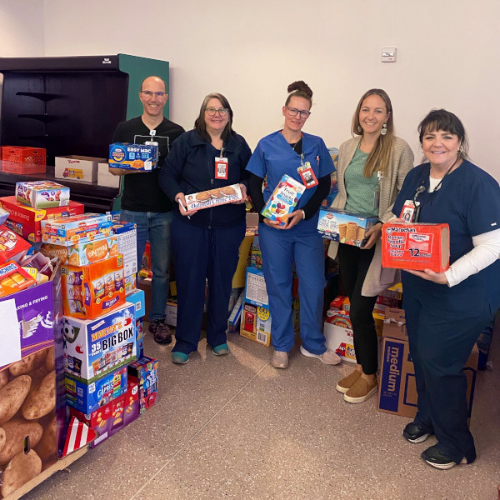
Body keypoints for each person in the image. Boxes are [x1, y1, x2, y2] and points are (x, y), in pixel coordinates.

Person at [393, 109, 500, 469]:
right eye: (430, 136)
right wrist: (384, 229)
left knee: (440, 361)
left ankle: (457, 445)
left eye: (447, 137)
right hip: (421, 285)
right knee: (421, 355)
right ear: (422, 142)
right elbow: (403, 217)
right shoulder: (417, 176)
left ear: (459, 142)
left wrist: (449, 275)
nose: (438, 143)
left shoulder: (477, 183)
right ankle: (428, 417)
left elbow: (493, 246)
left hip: (463, 291)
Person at [327, 89, 414, 403]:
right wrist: (331, 221)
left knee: (362, 307)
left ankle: (370, 376)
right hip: (349, 236)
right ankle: (365, 366)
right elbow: (344, 193)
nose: (371, 116)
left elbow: (406, 198)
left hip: (377, 238)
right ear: (358, 112)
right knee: (352, 303)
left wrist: (382, 225)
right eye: (366, 109)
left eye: (378, 111)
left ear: (387, 116)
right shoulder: (349, 146)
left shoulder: (398, 148)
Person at [247, 81, 338, 369]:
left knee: (313, 284)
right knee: (279, 285)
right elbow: (252, 183)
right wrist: (264, 215)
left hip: (307, 226)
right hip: (275, 229)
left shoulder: (317, 144)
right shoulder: (266, 145)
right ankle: (282, 345)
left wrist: (304, 213)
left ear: (309, 115)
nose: (298, 116)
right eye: (294, 111)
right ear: (284, 110)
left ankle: (313, 344)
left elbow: (324, 185)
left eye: (304, 112)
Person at [159, 92, 251, 364]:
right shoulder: (187, 141)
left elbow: (250, 175)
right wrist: (178, 197)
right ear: (202, 113)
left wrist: (245, 186)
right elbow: (167, 175)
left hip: (228, 226)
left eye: (222, 109)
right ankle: (186, 341)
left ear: (229, 114)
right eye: (211, 109)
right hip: (191, 225)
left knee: (222, 282)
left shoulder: (238, 144)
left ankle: (218, 337)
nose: (216, 114)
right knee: (190, 281)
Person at [111, 76, 185, 345]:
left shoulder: (177, 132)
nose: (154, 99)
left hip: (165, 212)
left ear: (165, 98)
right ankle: (127, 319)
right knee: (128, 270)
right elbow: (114, 167)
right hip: (132, 210)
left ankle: (157, 319)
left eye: (159, 94)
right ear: (141, 96)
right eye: (149, 93)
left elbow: (182, 171)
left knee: (162, 270)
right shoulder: (125, 128)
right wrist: (136, 164)